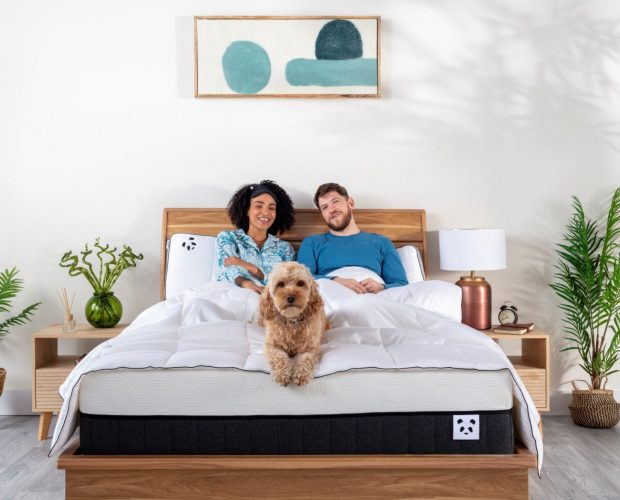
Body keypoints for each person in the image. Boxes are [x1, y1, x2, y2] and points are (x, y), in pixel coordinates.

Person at [297, 182, 408, 294]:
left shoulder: (382, 242)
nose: (331, 210)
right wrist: (334, 281)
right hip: (333, 296)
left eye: (335, 201)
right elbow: (302, 280)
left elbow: (401, 285)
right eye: (324, 207)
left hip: (374, 297)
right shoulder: (312, 243)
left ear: (350, 203)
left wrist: (381, 287)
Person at [216, 180, 295, 294]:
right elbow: (230, 268)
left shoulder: (285, 248)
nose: (265, 212)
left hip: (268, 300)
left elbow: (285, 283)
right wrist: (246, 283)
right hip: (231, 293)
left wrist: (249, 267)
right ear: (246, 210)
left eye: (271, 208)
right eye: (259, 206)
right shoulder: (228, 238)